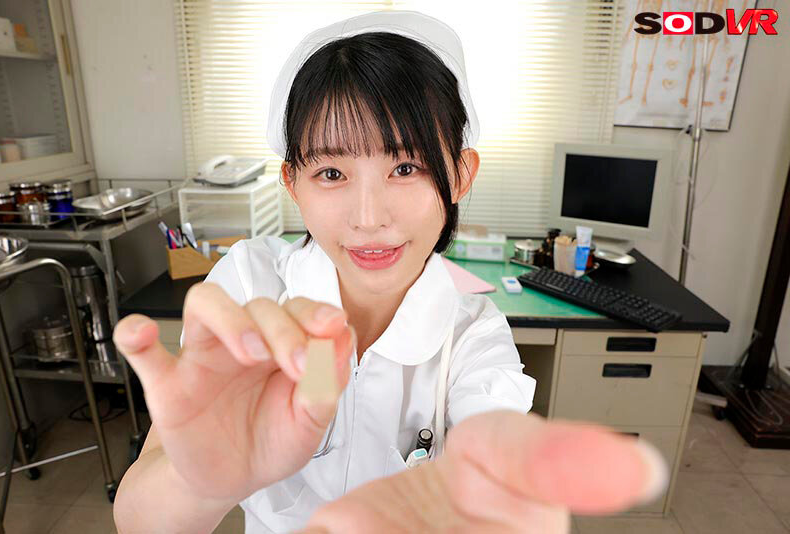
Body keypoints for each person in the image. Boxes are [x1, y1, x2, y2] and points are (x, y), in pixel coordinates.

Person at [112, 10, 668, 534]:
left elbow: (492, 440)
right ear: (292, 183)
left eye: (405, 167)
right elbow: (140, 522)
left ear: (460, 174)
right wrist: (202, 476)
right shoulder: (251, 287)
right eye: (332, 173)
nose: (369, 218)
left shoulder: (471, 334)